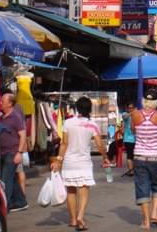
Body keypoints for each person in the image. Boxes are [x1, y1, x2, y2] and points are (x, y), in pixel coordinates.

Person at [51, 96, 109, 231]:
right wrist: (105, 157)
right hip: (84, 162)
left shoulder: (68, 123)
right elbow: (100, 144)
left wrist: (59, 160)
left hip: (69, 162)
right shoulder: (92, 124)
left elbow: (64, 143)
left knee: (71, 190)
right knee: (84, 189)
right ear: (90, 109)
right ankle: (80, 216)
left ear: (77, 108)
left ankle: (72, 219)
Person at [131, 90, 157, 230]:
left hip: (139, 156)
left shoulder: (135, 114)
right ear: (156, 102)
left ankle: (146, 221)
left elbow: (134, 131)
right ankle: (154, 214)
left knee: (142, 186)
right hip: (156, 156)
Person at [0, 92, 29, 212]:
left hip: (12, 152)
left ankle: (5, 205)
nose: (0, 103)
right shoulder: (2, 117)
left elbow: (22, 135)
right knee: (12, 179)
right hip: (3, 152)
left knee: (6, 179)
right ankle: (21, 202)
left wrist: (19, 152)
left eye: (3, 101)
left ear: (10, 103)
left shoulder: (15, 116)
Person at [122, 102, 136, 176]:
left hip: (136, 138)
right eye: (129, 108)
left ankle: (135, 169)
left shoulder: (137, 115)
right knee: (130, 155)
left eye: (132, 108)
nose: (131, 109)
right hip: (128, 138)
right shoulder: (125, 114)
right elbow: (125, 117)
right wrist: (133, 113)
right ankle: (131, 171)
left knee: (136, 156)